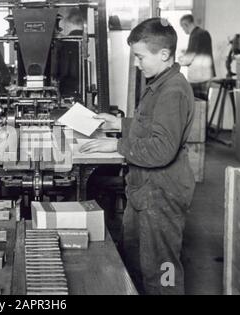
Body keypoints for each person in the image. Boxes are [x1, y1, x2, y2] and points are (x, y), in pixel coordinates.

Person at [80, 18, 196, 295]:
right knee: (132, 258)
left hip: (162, 194)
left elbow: (162, 149)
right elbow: (153, 124)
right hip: (144, 191)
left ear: (164, 55)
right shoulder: (160, 83)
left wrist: (117, 146)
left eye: (141, 57)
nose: (137, 63)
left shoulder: (173, 90)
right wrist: (119, 124)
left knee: (163, 268)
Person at [179, 14, 216, 100]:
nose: (183, 30)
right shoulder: (204, 32)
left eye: (182, 27)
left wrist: (179, 59)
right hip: (206, 74)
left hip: (198, 77)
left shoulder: (195, 35)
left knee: (196, 104)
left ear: (186, 24)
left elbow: (188, 60)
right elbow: (201, 51)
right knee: (204, 103)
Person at [57, 8, 84, 98]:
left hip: (68, 84)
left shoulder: (68, 42)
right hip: (78, 85)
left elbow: (64, 69)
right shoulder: (82, 37)